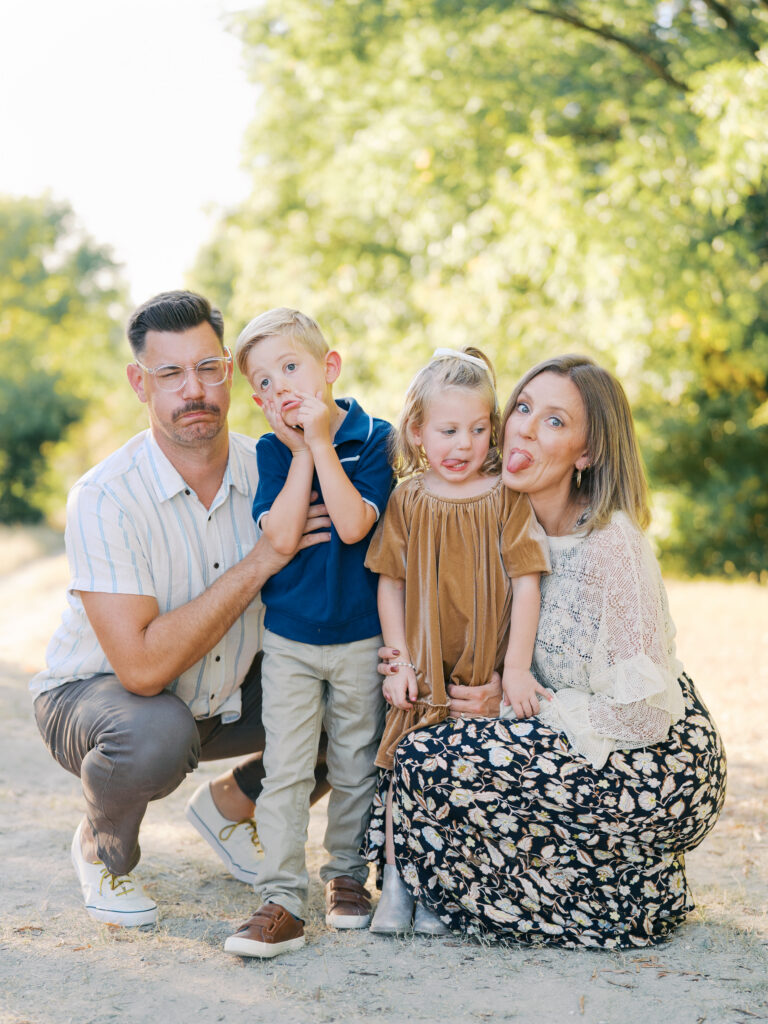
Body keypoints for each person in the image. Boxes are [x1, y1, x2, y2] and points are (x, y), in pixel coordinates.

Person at [371, 354, 726, 948]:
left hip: (655, 758)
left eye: (556, 421)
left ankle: (623, 893)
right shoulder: (487, 514)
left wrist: (509, 709)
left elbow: (642, 712)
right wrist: (404, 656)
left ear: (586, 454)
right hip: (553, 736)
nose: (526, 429)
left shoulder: (612, 546)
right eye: (524, 408)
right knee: (414, 750)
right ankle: (619, 883)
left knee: (430, 764)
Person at [31, 291, 331, 928]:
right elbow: (140, 670)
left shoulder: (274, 469)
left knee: (363, 691)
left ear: (229, 372)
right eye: (170, 374)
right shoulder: (105, 496)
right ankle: (102, 847)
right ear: (141, 383)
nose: (193, 390)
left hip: (227, 691)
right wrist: (262, 558)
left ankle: (232, 804)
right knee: (155, 734)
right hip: (101, 698)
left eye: (208, 369)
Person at [362, 347, 551, 936]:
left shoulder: (505, 498)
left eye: (477, 429)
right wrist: (397, 659)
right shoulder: (409, 499)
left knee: (465, 778)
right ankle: (396, 884)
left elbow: (527, 583)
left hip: (479, 670)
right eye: (447, 430)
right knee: (402, 767)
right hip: (422, 664)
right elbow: (389, 582)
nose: (463, 445)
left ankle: (443, 889)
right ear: (417, 431)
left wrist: (516, 668)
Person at [224, 307, 393, 958]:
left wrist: (322, 444)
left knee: (353, 764)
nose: (277, 390)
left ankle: (346, 877)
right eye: (261, 383)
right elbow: (283, 536)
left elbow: (354, 526)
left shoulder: (374, 437)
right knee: (288, 770)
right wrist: (298, 452)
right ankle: (281, 898)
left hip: (358, 637)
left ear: (329, 368)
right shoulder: (271, 449)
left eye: (289, 368)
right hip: (291, 640)